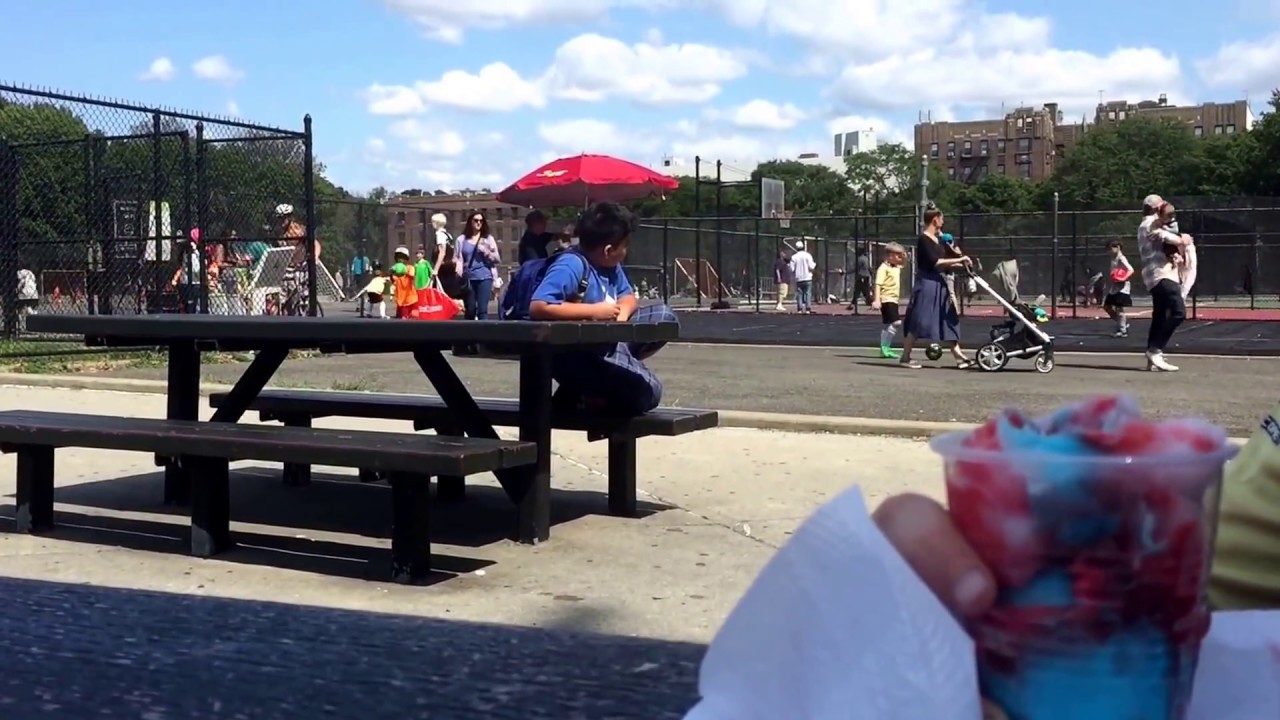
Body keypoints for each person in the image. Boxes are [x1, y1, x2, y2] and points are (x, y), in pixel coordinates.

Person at [528, 201, 676, 415]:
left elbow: (627, 297)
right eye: (625, 245)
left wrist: (621, 317)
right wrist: (594, 311)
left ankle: (591, 387)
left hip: (606, 342)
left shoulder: (611, 265)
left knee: (664, 316)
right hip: (577, 353)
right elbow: (539, 306)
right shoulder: (571, 264)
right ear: (608, 250)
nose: (626, 250)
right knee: (650, 391)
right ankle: (587, 392)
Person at [899, 206, 974, 370]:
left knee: (948, 319)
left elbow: (946, 260)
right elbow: (936, 262)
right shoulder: (923, 240)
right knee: (920, 320)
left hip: (940, 283)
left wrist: (959, 259)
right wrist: (960, 259)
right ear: (935, 219)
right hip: (927, 283)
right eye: (942, 218)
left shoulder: (938, 240)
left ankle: (959, 356)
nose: (943, 221)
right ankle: (905, 357)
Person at [1138, 195, 1190, 372]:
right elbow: (1164, 236)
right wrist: (1182, 239)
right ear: (1154, 209)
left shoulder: (1157, 223)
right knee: (1178, 312)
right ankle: (1155, 350)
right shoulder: (1149, 224)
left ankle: (1152, 354)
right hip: (1161, 274)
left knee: (1160, 315)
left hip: (1159, 274)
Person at [457, 211, 501, 322]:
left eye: (481, 221)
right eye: (476, 220)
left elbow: (497, 259)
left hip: (485, 277)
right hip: (469, 278)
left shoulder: (488, 239)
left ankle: (483, 337)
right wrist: (458, 268)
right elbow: (457, 258)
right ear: (470, 222)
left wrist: (487, 252)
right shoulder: (462, 240)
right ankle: (468, 337)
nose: (478, 223)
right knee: (470, 310)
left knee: (482, 310)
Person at [872, 242, 906, 359]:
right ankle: (884, 347)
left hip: (894, 300)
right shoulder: (883, 268)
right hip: (887, 299)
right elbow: (878, 284)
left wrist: (903, 256)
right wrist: (877, 300)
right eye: (898, 256)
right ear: (890, 256)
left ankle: (884, 349)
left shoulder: (896, 267)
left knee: (889, 325)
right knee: (896, 323)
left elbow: (905, 262)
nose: (900, 258)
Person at [1103, 239, 1134, 338]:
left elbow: (1130, 270)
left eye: (1110, 248)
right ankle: (1122, 323)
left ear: (1118, 247)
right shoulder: (1113, 259)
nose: (1108, 251)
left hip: (1122, 287)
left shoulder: (1121, 258)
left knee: (1119, 308)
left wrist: (1123, 278)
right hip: (1114, 287)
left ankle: (1122, 330)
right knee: (1107, 306)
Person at [389, 247, 417, 319]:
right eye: (399, 257)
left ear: (406, 259)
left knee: (406, 317)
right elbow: (393, 280)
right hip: (400, 298)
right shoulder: (395, 269)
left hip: (409, 297)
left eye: (403, 257)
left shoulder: (410, 267)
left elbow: (412, 275)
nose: (400, 259)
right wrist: (391, 273)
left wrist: (405, 271)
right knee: (399, 317)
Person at [789, 241, 816, 314]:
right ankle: (808, 308)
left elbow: (792, 269)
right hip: (807, 277)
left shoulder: (794, 257)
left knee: (799, 293)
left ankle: (800, 309)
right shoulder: (808, 255)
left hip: (798, 278)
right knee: (807, 293)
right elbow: (811, 266)